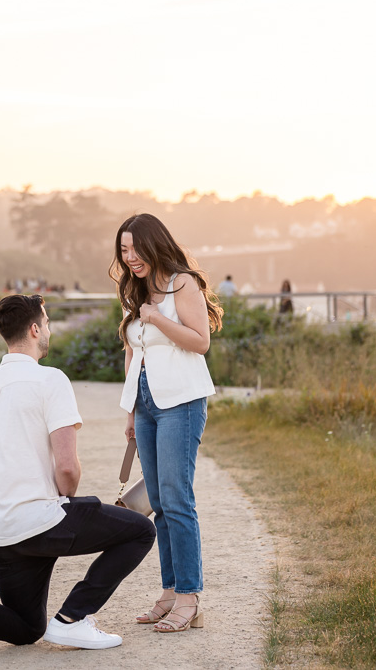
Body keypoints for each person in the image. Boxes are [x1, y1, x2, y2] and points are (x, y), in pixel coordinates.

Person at [0, 294, 155, 662]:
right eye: (46, 323)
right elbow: (67, 469)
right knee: (142, 530)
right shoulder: (50, 380)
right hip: (40, 520)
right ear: (34, 329)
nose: (49, 329)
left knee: (27, 627)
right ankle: (74, 617)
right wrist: (64, 499)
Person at [112, 213, 223, 634]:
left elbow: (201, 342)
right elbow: (131, 350)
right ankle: (169, 590)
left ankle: (189, 598)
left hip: (182, 402)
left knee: (177, 499)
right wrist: (130, 410)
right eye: (123, 250)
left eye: (135, 248)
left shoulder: (182, 283)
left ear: (153, 244)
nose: (130, 257)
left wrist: (158, 317)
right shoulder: (133, 291)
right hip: (146, 404)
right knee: (157, 502)